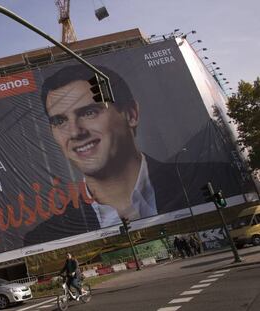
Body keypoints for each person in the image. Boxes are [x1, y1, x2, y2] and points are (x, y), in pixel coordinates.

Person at [24, 64, 242, 245]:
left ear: (130, 114)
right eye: (59, 121)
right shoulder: (46, 237)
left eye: (89, 112)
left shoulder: (218, 177)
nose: (75, 132)